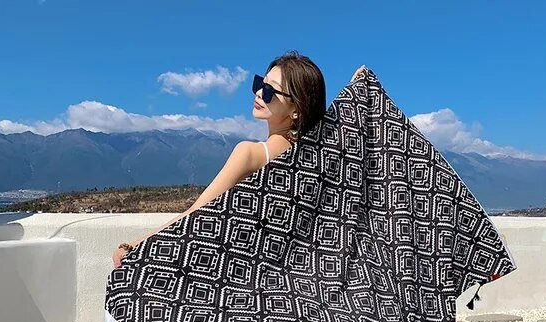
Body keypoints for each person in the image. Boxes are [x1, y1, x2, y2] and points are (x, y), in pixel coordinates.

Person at [112, 54, 366, 268]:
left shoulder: (250, 153)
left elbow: (194, 213)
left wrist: (134, 245)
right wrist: (356, 93)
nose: (259, 92)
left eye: (270, 91)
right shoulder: (315, 158)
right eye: (259, 83)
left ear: (296, 109)